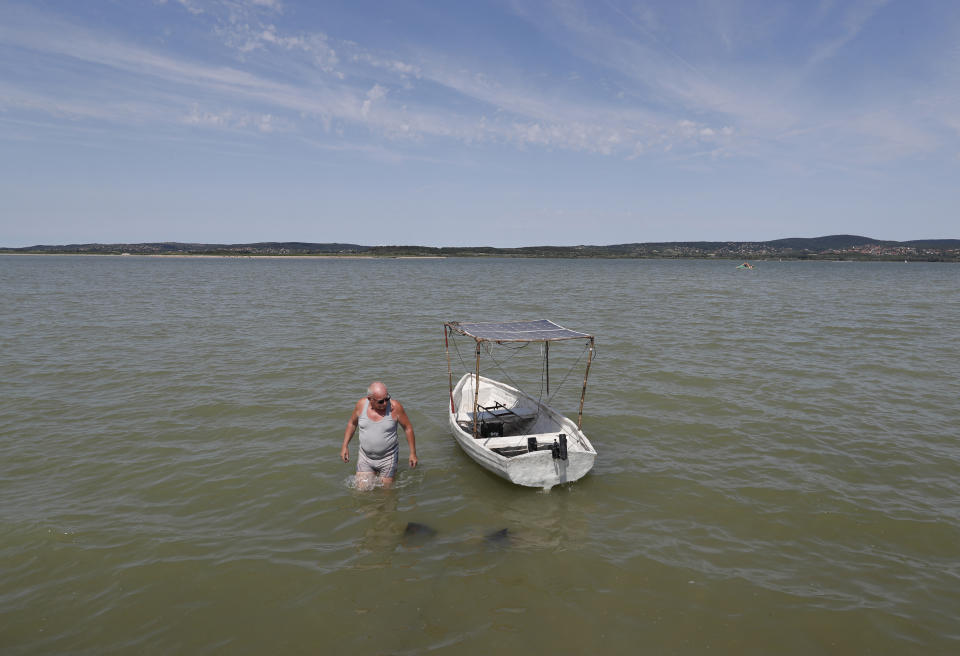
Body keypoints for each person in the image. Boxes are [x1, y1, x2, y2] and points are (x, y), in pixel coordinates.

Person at [341, 381, 417, 489]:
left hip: (388, 458)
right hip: (365, 457)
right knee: (361, 491)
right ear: (370, 399)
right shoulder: (361, 405)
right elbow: (352, 424)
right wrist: (345, 446)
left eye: (387, 399)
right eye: (381, 401)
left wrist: (413, 453)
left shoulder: (395, 408)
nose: (385, 403)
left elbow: (408, 428)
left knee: (386, 494)